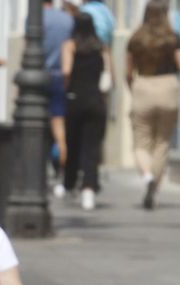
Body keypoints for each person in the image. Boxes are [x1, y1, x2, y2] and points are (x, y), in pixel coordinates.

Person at [126, 0, 180, 211]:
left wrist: (133, 88)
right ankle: (154, 188)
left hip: (143, 85)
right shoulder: (172, 39)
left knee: (141, 142)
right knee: (162, 143)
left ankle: (147, 176)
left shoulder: (136, 39)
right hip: (167, 86)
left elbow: (129, 72)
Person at [61, 12, 110, 211]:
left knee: (72, 144)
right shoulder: (102, 47)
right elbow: (109, 76)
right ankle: (89, 188)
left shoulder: (70, 46)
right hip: (96, 100)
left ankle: (69, 184)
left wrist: (67, 89)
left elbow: (66, 71)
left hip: (75, 99)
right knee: (92, 148)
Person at [43, 0, 75, 195]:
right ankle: (61, 174)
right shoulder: (66, 20)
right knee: (59, 126)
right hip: (60, 77)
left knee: (35, 127)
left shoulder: (35, 19)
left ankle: (41, 170)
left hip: (39, 76)